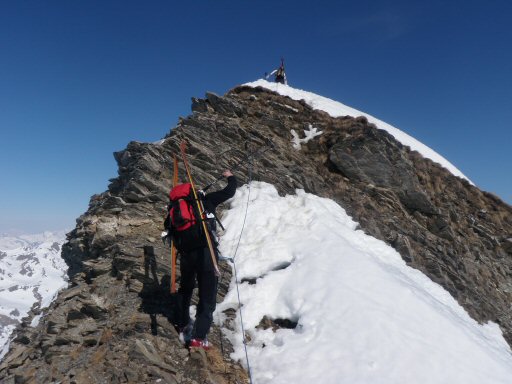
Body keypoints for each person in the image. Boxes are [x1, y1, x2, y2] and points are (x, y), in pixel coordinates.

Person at [166, 170, 237, 350]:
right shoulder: (204, 202)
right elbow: (230, 191)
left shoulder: (173, 211)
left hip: (186, 256)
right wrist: (230, 176)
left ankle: (182, 323)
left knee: (186, 289)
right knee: (207, 296)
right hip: (206, 254)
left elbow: (170, 234)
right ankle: (198, 337)